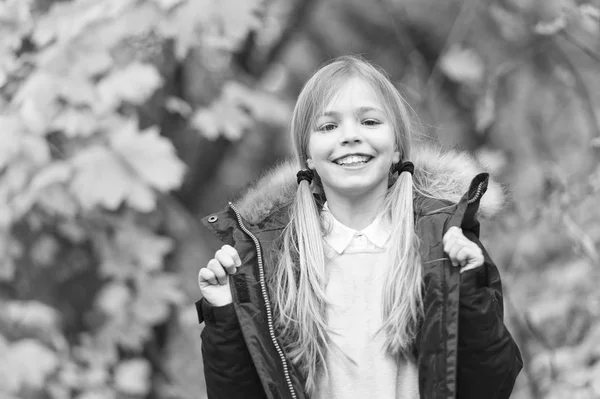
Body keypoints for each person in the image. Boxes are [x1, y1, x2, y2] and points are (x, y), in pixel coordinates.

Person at [195, 55, 522, 399]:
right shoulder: (271, 261)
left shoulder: (442, 242)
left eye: (368, 121)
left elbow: (492, 384)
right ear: (307, 155)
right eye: (328, 126)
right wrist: (226, 315)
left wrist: (470, 289)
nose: (350, 136)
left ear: (397, 147)